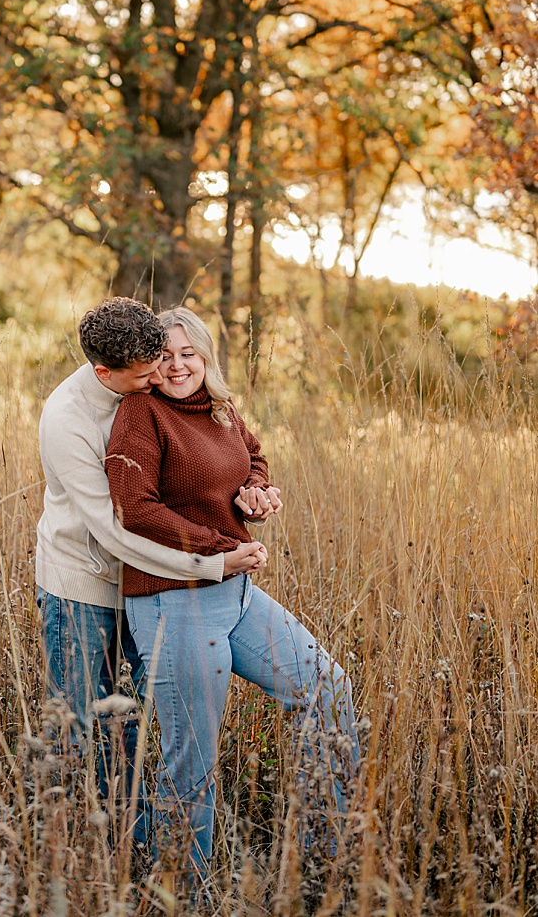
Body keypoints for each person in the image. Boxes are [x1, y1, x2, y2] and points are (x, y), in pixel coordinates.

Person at [105, 306, 359, 882]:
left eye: (188, 353)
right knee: (191, 763)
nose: (177, 366)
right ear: (148, 363)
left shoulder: (219, 407)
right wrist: (217, 550)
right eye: (163, 356)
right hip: (175, 602)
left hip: (237, 597)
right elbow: (132, 507)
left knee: (326, 689)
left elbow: (254, 455)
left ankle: (329, 860)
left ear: (205, 356)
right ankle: (187, 893)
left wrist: (257, 491)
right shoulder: (140, 413)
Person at [36, 297, 266, 841]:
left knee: (131, 718)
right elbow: (118, 528)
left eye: (165, 362)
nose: (159, 380)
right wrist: (211, 561)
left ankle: (139, 841)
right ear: (105, 373)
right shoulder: (67, 419)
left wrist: (251, 487)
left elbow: (228, 444)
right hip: (84, 585)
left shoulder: (144, 387)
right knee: (79, 720)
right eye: (145, 375)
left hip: (149, 585)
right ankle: (73, 845)